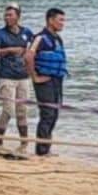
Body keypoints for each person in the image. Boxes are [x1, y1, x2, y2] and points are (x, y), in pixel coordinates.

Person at [26, 8, 68, 157]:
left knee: (54, 114)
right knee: (47, 114)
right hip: (44, 81)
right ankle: (41, 150)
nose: (63, 23)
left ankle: (47, 147)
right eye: (60, 20)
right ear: (50, 20)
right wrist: (35, 77)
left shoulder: (57, 38)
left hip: (56, 80)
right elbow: (28, 56)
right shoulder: (40, 38)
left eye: (64, 20)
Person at [0, 3, 34, 152]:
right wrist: (10, 50)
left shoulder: (27, 32)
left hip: (23, 77)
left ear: (18, 16)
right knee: (8, 110)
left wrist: (32, 68)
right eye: (6, 15)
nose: (7, 18)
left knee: (22, 111)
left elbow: (34, 48)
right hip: (7, 77)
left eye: (10, 15)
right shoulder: (0, 33)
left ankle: (24, 144)